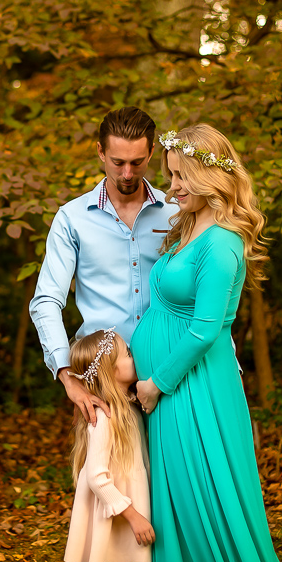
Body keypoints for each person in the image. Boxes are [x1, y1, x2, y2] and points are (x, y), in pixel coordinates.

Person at [131, 124, 282, 562]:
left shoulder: (221, 243)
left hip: (189, 386)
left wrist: (157, 383)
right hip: (172, 384)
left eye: (182, 177)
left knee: (201, 493)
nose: (172, 187)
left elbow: (205, 330)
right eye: (171, 175)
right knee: (175, 495)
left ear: (209, 178)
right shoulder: (189, 225)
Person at [30, 107, 178, 423]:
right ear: (100, 152)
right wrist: (67, 377)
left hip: (170, 374)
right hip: (105, 387)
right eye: (118, 162)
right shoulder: (72, 219)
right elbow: (46, 301)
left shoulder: (176, 213)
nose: (127, 173)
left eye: (137, 163)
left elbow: (200, 293)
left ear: (152, 152)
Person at [63, 327, 154, 562]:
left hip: (119, 516)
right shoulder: (105, 417)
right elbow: (96, 476)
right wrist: (133, 516)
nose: (134, 357)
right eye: (128, 354)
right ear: (110, 370)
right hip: (113, 514)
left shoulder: (130, 408)